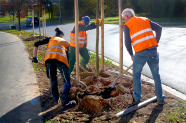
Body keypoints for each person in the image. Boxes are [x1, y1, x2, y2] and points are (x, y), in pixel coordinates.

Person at [122, 8, 165, 105]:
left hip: (140, 53)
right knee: (156, 75)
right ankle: (160, 98)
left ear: (127, 16)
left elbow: (127, 42)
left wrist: (131, 54)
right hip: (153, 51)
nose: (124, 20)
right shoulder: (145, 19)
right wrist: (155, 43)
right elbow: (159, 28)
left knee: (136, 75)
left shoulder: (127, 25)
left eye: (124, 18)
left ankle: (137, 98)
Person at [32, 27, 76, 110]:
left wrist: (35, 57)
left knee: (53, 80)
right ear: (62, 36)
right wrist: (67, 71)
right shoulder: (65, 42)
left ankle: (56, 100)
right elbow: (68, 58)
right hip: (61, 59)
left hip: (48, 60)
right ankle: (65, 103)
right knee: (66, 82)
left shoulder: (51, 38)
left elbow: (36, 43)